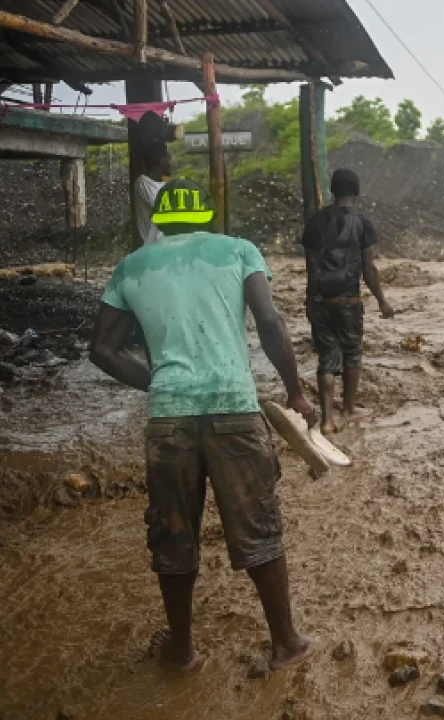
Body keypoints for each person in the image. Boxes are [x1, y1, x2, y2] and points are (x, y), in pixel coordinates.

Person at [90, 178, 317, 672]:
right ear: (206, 214)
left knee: (173, 533)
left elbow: (102, 349)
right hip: (234, 407)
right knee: (258, 526)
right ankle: (285, 643)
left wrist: (158, 382)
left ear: (160, 219)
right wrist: (296, 391)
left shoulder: (130, 265)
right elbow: (271, 323)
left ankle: (182, 649)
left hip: (168, 418)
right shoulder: (238, 251)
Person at [300, 169, 395, 435]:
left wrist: (313, 298)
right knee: (352, 353)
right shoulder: (362, 223)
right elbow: (369, 268)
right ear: (356, 193)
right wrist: (382, 301)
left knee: (327, 357)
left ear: (333, 191)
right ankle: (349, 410)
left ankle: (328, 420)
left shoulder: (315, 221)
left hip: (319, 300)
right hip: (348, 300)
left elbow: (311, 265)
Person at [134, 142, 170, 246]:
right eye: (168, 158)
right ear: (160, 161)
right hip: (152, 245)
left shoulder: (164, 183)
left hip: (165, 244)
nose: (171, 162)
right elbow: (163, 207)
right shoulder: (143, 182)